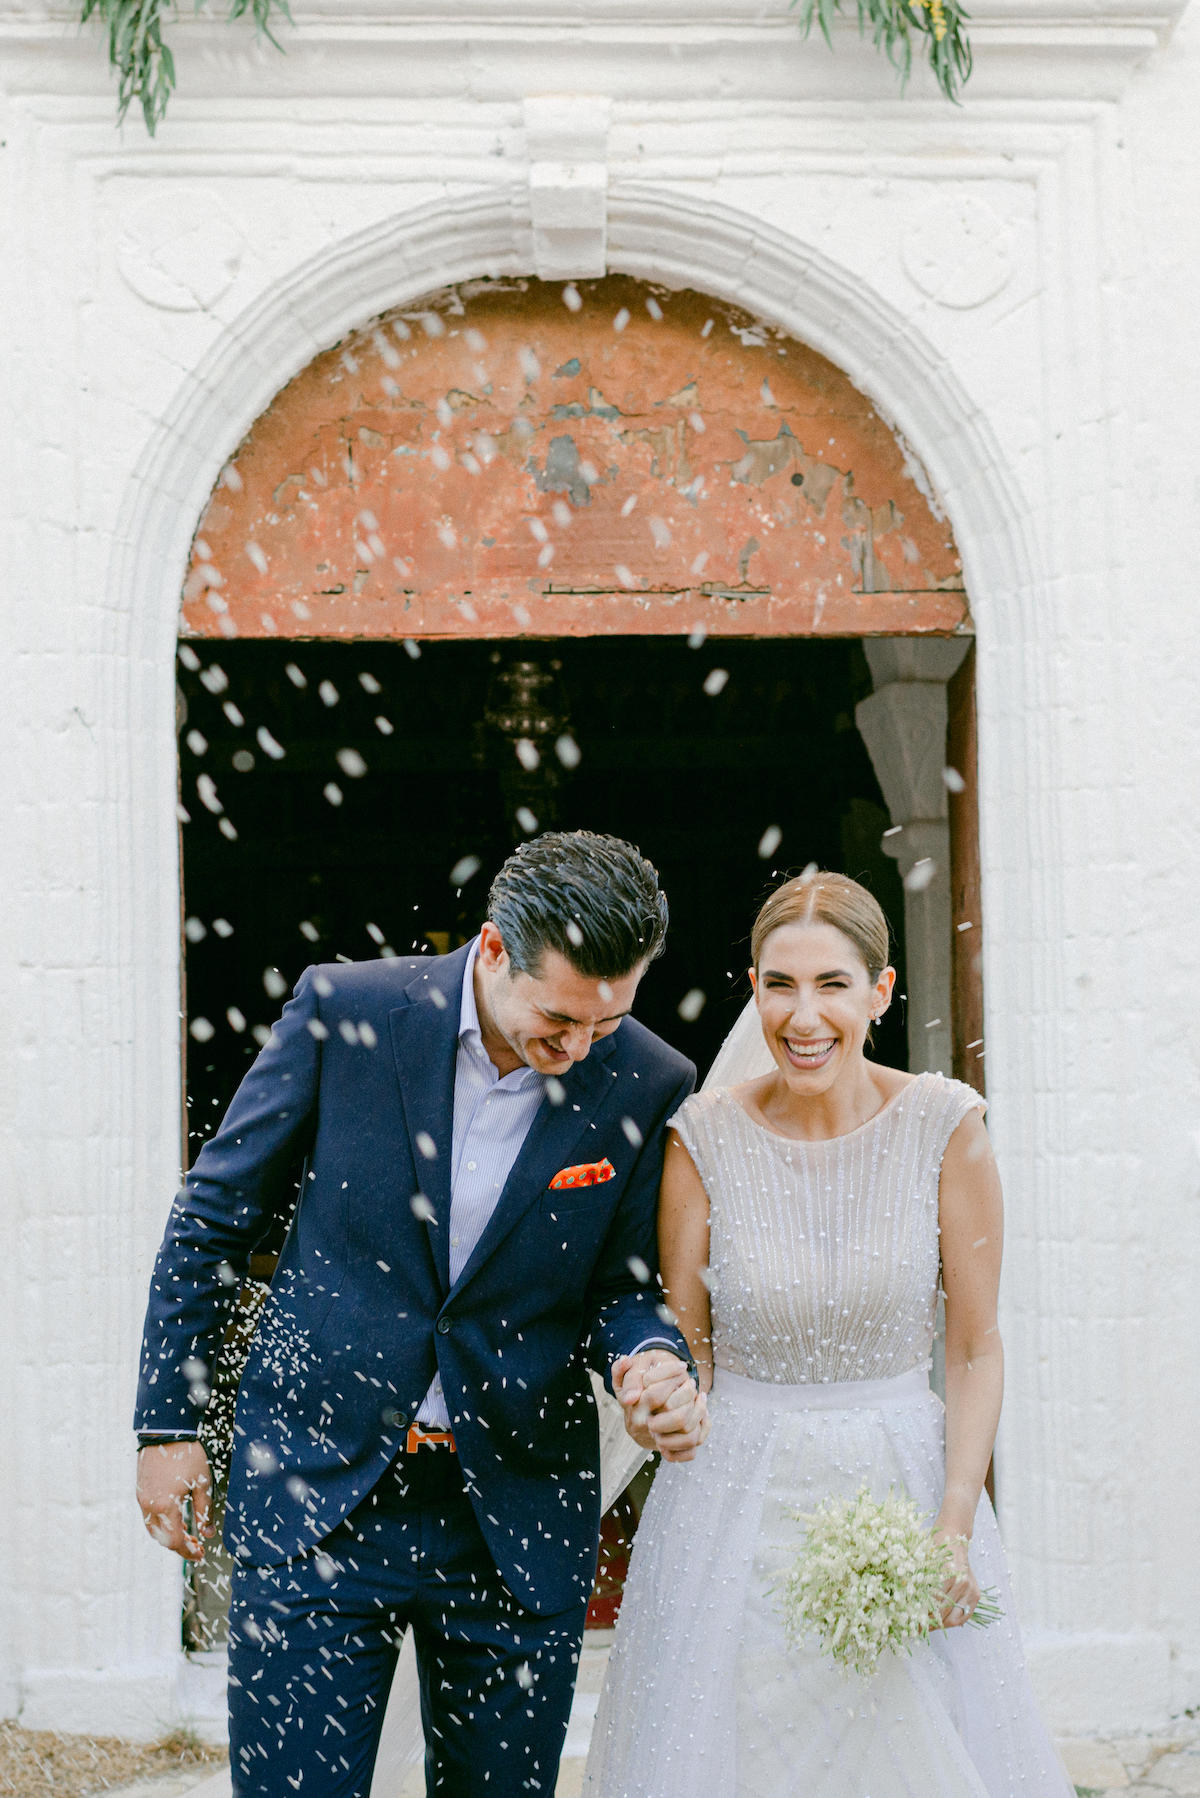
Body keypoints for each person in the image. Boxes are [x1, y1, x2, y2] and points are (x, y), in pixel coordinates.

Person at [134, 830, 709, 1798]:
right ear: (493, 950)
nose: (579, 1047)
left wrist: (649, 1359)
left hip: (512, 1516)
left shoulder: (650, 1079)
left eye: (606, 1022)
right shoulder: (345, 1010)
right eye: (559, 1018)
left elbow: (625, 1286)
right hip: (318, 1491)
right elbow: (212, 1218)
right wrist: (169, 1422)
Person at [587, 869, 1074, 1797]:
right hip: (735, 1507)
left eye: (831, 984)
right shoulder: (701, 1137)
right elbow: (689, 1355)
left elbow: (974, 1347)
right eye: (779, 985)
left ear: (881, 992)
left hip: (907, 1490)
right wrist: (658, 1402)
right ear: (756, 993)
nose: (802, 1016)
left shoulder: (945, 1125)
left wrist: (955, 1524)